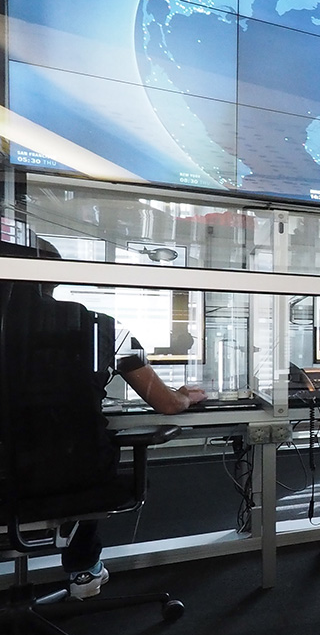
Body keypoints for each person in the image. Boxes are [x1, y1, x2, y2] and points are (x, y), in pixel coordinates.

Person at [29, 239, 206, 598]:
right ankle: (82, 568)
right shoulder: (102, 328)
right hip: (72, 476)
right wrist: (185, 396)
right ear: (54, 279)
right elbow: (167, 405)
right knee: (84, 456)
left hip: (13, 474)